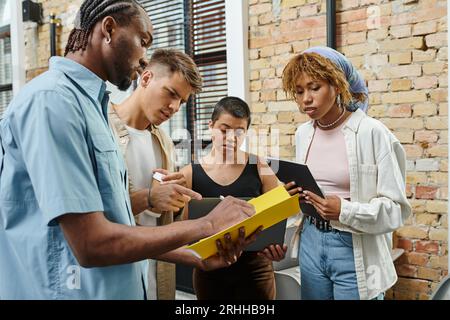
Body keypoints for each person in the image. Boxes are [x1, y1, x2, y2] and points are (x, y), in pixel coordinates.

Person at [0, 0, 256, 300]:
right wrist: (207, 224)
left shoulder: (92, 109)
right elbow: (91, 243)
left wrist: (193, 256)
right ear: (108, 29)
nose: (143, 58)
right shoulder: (52, 102)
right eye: (142, 42)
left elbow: (119, 225)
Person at [282, 46, 412, 300]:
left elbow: (396, 209)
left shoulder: (373, 133)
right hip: (310, 240)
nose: (305, 99)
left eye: (314, 87)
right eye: (299, 91)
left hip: (353, 246)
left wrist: (344, 210)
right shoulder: (303, 134)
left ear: (337, 85)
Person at [180, 97, 298, 300]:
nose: (231, 138)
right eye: (224, 130)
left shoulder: (260, 167)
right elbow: (181, 230)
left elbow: (276, 221)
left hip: (256, 271)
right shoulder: (189, 174)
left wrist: (275, 249)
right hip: (209, 272)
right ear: (211, 126)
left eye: (239, 132)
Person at [108, 48, 203, 300]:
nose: (174, 107)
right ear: (146, 78)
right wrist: (149, 197)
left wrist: (176, 200)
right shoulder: (101, 129)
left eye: (181, 101)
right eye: (171, 93)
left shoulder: (164, 141)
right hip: (115, 277)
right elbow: (94, 216)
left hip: (157, 278)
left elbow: (163, 217)